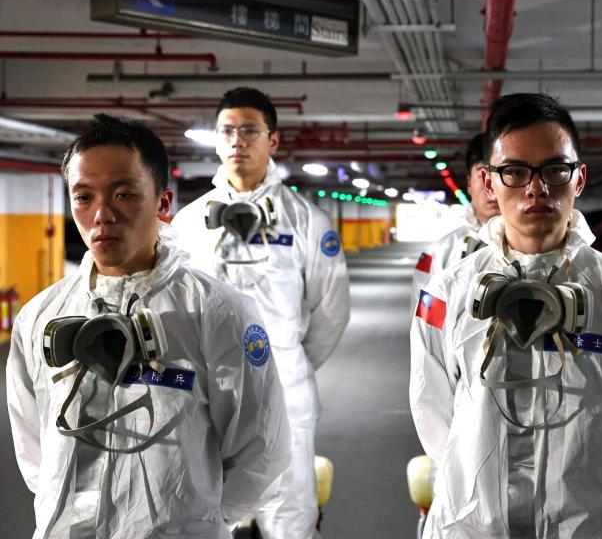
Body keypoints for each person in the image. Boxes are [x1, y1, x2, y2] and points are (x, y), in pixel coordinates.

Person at [6, 114, 291, 538]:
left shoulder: (216, 312)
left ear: (163, 203)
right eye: (83, 197)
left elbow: (260, 448)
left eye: (123, 194)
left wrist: (196, 521)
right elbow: (34, 446)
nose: (102, 214)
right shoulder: (40, 317)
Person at [409, 92, 602, 538]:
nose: (537, 188)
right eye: (515, 171)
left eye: (555, 169)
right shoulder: (448, 290)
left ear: (579, 179)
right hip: (473, 525)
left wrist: (584, 487)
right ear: (490, 183)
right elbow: (433, 411)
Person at [172, 87, 349, 539]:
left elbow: (331, 309)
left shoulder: (306, 222)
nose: (237, 140)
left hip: (285, 394)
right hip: (204, 397)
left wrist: (289, 363)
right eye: (227, 130)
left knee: (289, 518)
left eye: (249, 130)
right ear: (215, 140)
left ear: (272, 140)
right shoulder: (188, 224)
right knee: (203, 514)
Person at [411, 132, 501, 307]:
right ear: (469, 184)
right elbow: (425, 323)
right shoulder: (439, 253)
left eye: (500, 174)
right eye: (482, 175)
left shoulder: (539, 248)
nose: (491, 186)